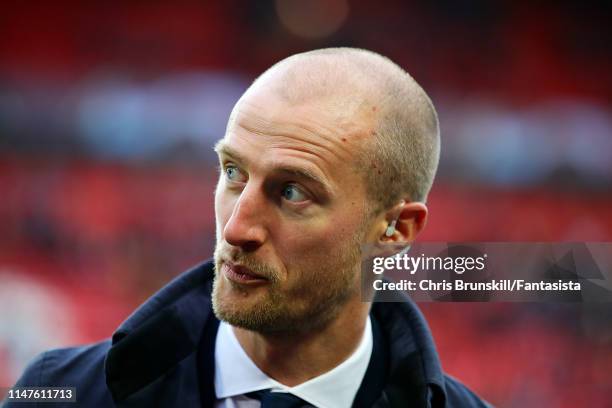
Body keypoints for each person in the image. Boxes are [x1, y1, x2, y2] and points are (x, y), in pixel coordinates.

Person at [5, 48, 488, 407]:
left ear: (396, 228)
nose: (236, 229)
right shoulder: (61, 394)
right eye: (233, 172)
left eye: (292, 192)